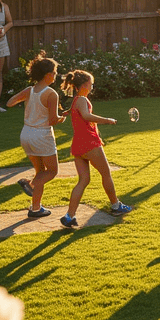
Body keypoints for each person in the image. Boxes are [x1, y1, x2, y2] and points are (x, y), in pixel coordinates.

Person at [59, 70, 133, 227]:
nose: (92, 86)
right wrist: (107, 120)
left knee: (83, 180)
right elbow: (86, 116)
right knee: (106, 174)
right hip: (89, 144)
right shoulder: (82, 100)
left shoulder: (75, 100)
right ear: (85, 84)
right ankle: (116, 206)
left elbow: (79, 116)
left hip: (78, 146)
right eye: (91, 83)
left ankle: (69, 216)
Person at [6, 52, 66, 219]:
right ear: (48, 75)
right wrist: (63, 118)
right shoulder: (51, 93)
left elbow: (9, 102)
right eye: (54, 73)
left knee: (40, 172)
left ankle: (35, 208)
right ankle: (29, 184)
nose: (55, 76)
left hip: (26, 134)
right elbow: (53, 120)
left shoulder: (30, 90)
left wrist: (26, 100)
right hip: (41, 135)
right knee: (52, 171)